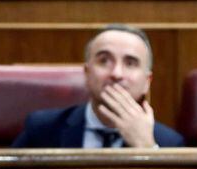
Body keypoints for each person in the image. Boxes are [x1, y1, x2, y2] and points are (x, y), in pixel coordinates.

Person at [12, 24, 183, 149]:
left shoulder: (169, 143)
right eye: (104, 61)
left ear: (147, 82)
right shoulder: (42, 129)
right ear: (87, 73)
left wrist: (147, 148)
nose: (116, 73)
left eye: (130, 63)